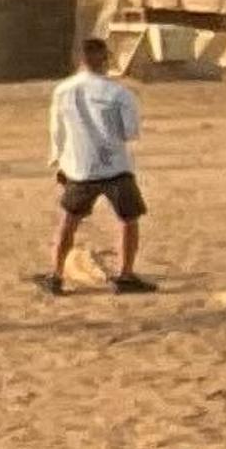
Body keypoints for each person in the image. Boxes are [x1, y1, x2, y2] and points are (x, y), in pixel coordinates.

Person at [46, 30, 155, 293]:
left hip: (80, 167)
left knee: (69, 220)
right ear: (105, 59)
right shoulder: (120, 94)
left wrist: (58, 161)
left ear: (78, 60)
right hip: (115, 166)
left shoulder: (62, 90)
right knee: (128, 219)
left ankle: (56, 274)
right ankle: (126, 274)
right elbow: (130, 133)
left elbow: (57, 130)